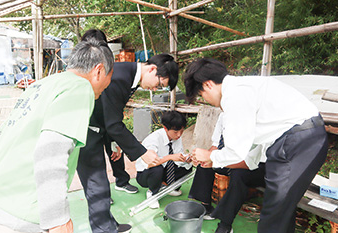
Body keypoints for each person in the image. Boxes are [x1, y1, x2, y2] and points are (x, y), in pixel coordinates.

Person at [184, 58, 328, 233]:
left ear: (207, 85)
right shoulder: (245, 88)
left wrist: (210, 156)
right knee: (280, 210)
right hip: (294, 141)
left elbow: (236, 152)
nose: (205, 99)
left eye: (201, 95)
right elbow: (251, 150)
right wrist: (214, 160)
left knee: (274, 212)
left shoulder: (235, 95)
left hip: (299, 141)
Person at [0, 40, 114, 233]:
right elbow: (51, 154)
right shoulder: (80, 87)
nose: (106, 87)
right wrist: (57, 219)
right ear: (98, 71)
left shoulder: (39, 86)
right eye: (108, 80)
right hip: (21, 213)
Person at [77, 29, 179, 233]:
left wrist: (114, 143)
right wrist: (142, 153)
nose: (155, 89)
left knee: (102, 186)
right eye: (160, 84)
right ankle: (105, 230)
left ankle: (108, 225)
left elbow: (110, 112)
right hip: (86, 131)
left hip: (99, 128)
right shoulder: (118, 77)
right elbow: (113, 123)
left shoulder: (129, 76)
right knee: (97, 185)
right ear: (151, 70)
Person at [82, 29, 139, 198]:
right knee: (94, 159)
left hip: (109, 116)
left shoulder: (109, 65)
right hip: (91, 120)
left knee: (115, 151)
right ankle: (99, 194)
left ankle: (122, 181)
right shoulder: (81, 67)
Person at [189, 112, 266, 229]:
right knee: (204, 164)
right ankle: (206, 206)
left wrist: (215, 160)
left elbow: (250, 163)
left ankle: (225, 225)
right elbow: (216, 145)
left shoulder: (255, 120)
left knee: (238, 175)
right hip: (230, 159)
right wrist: (205, 158)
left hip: (258, 166)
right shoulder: (224, 115)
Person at [136, 111, 192, 208]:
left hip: (164, 168)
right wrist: (170, 157)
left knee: (187, 167)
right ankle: (152, 193)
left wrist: (186, 159)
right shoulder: (153, 139)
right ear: (165, 128)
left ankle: (168, 187)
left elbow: (178, 156)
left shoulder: (177, 138)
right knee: (157, 168)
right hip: (145, 174)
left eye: (181, 131)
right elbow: (150, 163)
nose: (179, 135)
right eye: (176, 132)